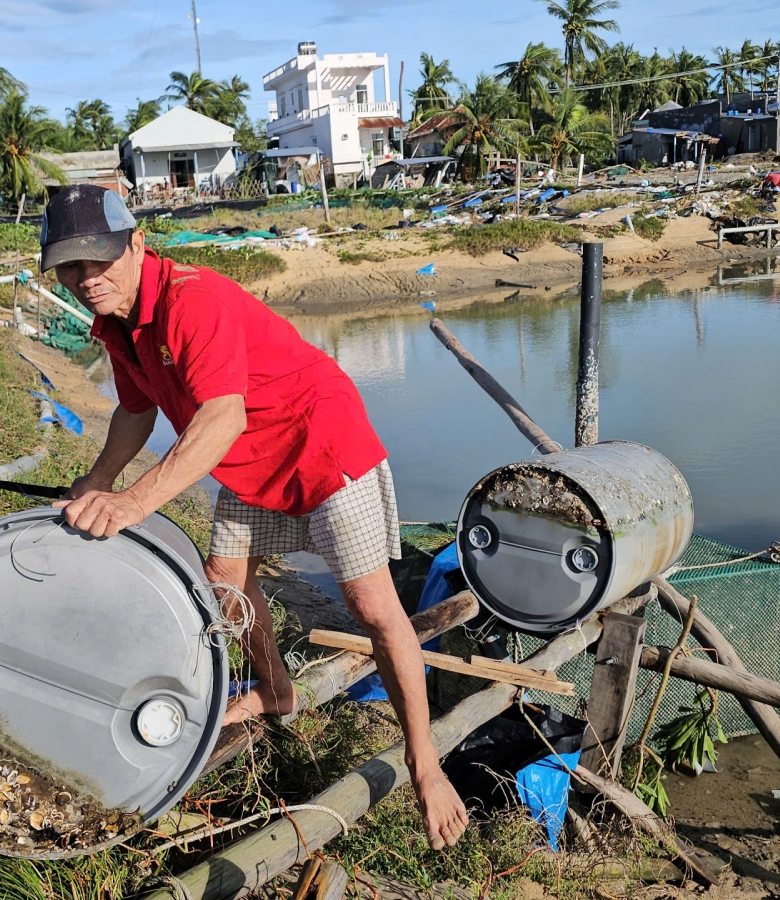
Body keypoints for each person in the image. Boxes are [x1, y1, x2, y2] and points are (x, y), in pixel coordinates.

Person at [41, 185, 469, 850]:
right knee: (226, 582)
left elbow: (221, 416)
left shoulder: (191, 300)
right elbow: (136, 408)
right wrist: (97, 481)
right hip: (248, 457)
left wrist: (132, 502)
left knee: (373, 608)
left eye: (100, 259)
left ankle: (425, 763)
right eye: (71, 266)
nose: (87, 277)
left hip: (322, 442)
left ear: (137, 245)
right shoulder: (116, 324)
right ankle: (275, 690)